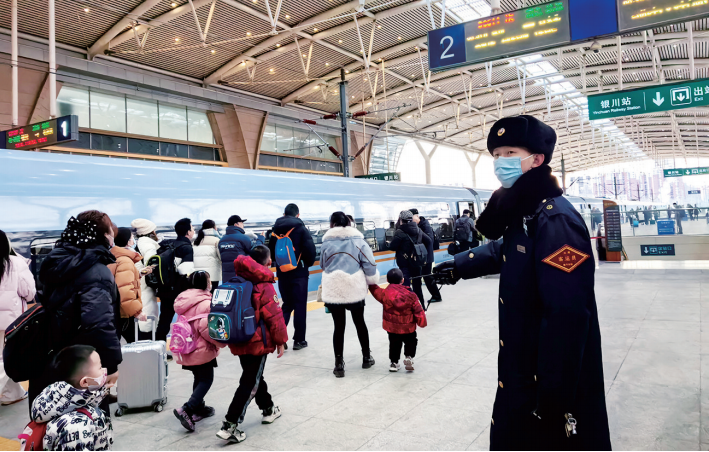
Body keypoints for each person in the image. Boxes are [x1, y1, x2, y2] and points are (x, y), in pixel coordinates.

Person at [432, 115, 611, 450]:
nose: (500, 162)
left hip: (542, 376)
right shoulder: (526, 212)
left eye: (510, 152)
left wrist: (553, 397)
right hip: (522, 365)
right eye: (496, 154)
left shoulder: (555, 220)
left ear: (537, 159)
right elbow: (509, 248)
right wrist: (457, 266)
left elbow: (568, 317)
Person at [35, 211, 121, 416]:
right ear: (101, 235)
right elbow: (98, 323)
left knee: (60, 420)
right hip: (84, 365)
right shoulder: (96, 271)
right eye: (110, 231)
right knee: (89, 422)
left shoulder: (56, 262)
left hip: (56, 356)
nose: (112, 236)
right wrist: (110, 364)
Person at [217, 246, 287, 444]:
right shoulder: (264, 284)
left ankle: (269, 409)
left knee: (254, 375)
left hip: (239, 339)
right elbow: (274, 316)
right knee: (249, 382)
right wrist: (281, 341)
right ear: (266, 263)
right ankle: (230, 425)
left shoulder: (235, 279)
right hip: (257, 341)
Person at [319, 211, 379, 378]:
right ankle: (366, 358)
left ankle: (339, 365)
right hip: (354, 288)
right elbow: (370, 263)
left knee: (338, 327)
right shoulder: (359, 241)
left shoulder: (325, 243)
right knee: (360, 323)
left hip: (334, 289)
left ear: (332, 224)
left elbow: (323, 265)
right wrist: (371, 279)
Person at [26, 345, 113, 451]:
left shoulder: (74, 400)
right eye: (100, 368)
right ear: (85, 382)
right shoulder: (76, 427)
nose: (104, 370)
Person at [172, 271, 226, 432]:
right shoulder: (205, 303)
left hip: (187, 347)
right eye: (209, 280)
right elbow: (206, 328)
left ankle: (199, 408)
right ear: (204, 284)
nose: (211, 283)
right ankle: (187, 409)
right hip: (201, 348)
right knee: (206, 379)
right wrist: (220, 343)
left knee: (199, 376)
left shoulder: (184, 299)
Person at [268, 203, 316, 350]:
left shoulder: (275, 230)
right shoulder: (301, 229)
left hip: (282, 272)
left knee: (287, 305)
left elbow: (270, 250)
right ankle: (299, 340)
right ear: (298, 215)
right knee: (300, 306)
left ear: (284, 214)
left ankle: (280, 338)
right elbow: (310, 250)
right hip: (299, 273)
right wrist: (305, 264)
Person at [0, 230, 35, 406]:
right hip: (10, 322)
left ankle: (12, 394)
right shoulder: (15, 263)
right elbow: (29, 292)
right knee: (6, 359)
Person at [369, 268, 426, 372]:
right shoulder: (411, 295)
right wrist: (422, 322)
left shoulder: (384, 293)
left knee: (394, 343)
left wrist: (369, 282)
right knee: (411, 341)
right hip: (408, 327)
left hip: (392, 328)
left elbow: (375, 290)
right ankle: (409, 357)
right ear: (402, 280)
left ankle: (394, 363)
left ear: (387, 280)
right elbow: (418, 311)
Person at [155, 218, 195, 342]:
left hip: (165, 289)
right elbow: (185, 271)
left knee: (164, 321)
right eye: (192, 228)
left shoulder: (167, 245)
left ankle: (160, 350)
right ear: (188, 232)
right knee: (189, 320)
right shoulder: (186, 248)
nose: (194, 231)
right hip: (180, 291)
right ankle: (188, 345)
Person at [108, 227, 147, 344]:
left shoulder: (114, 257)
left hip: (115, 309)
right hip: (125, 313)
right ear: (127, 241)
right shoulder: (125, 260)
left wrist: (139, 274)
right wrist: (136, 312)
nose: (133, 240)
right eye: (131, 237)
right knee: (139, 347)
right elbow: (124, 290)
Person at [388, 210, 431, 309]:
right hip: (417, 263)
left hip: (405, 264)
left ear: (401, 220)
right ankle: (421, 307)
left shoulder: (400, 232)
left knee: (406, 287)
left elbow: (392, 247)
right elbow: (428, 241)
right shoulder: (418, 229)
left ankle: (410, 308)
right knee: (417, 286)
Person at [131, 219, 160, 337]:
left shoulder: (140, 243)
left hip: (142, 282)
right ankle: (148, 342)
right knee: (148, 311)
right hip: (145, 284)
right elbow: (152, 262)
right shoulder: (147, 244)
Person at [410, 208, 442, 304]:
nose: (411, 220)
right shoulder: (419, 225)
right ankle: (436, 295)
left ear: (416, 216)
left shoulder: (425, 225)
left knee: (427, 276)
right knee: (426, 276)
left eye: (412, 218)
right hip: (421, 255)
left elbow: (429, 240)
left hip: (426, 256)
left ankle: (436, 295)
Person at [219, 215, 264, 283]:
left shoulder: (222, 240)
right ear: (236, 224)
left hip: (226, 279)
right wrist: (260, 239)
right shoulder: (243, 238)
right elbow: (255, 251)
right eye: (241, 222)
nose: (243, 225)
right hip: (241, 278)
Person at [193, 220, 222, 292]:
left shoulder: (195, 241)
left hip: (198, 275)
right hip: (212, 275)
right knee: (211, 296)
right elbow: (221, 257)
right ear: (214, 228)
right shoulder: (217, 240)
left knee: (200, 295)